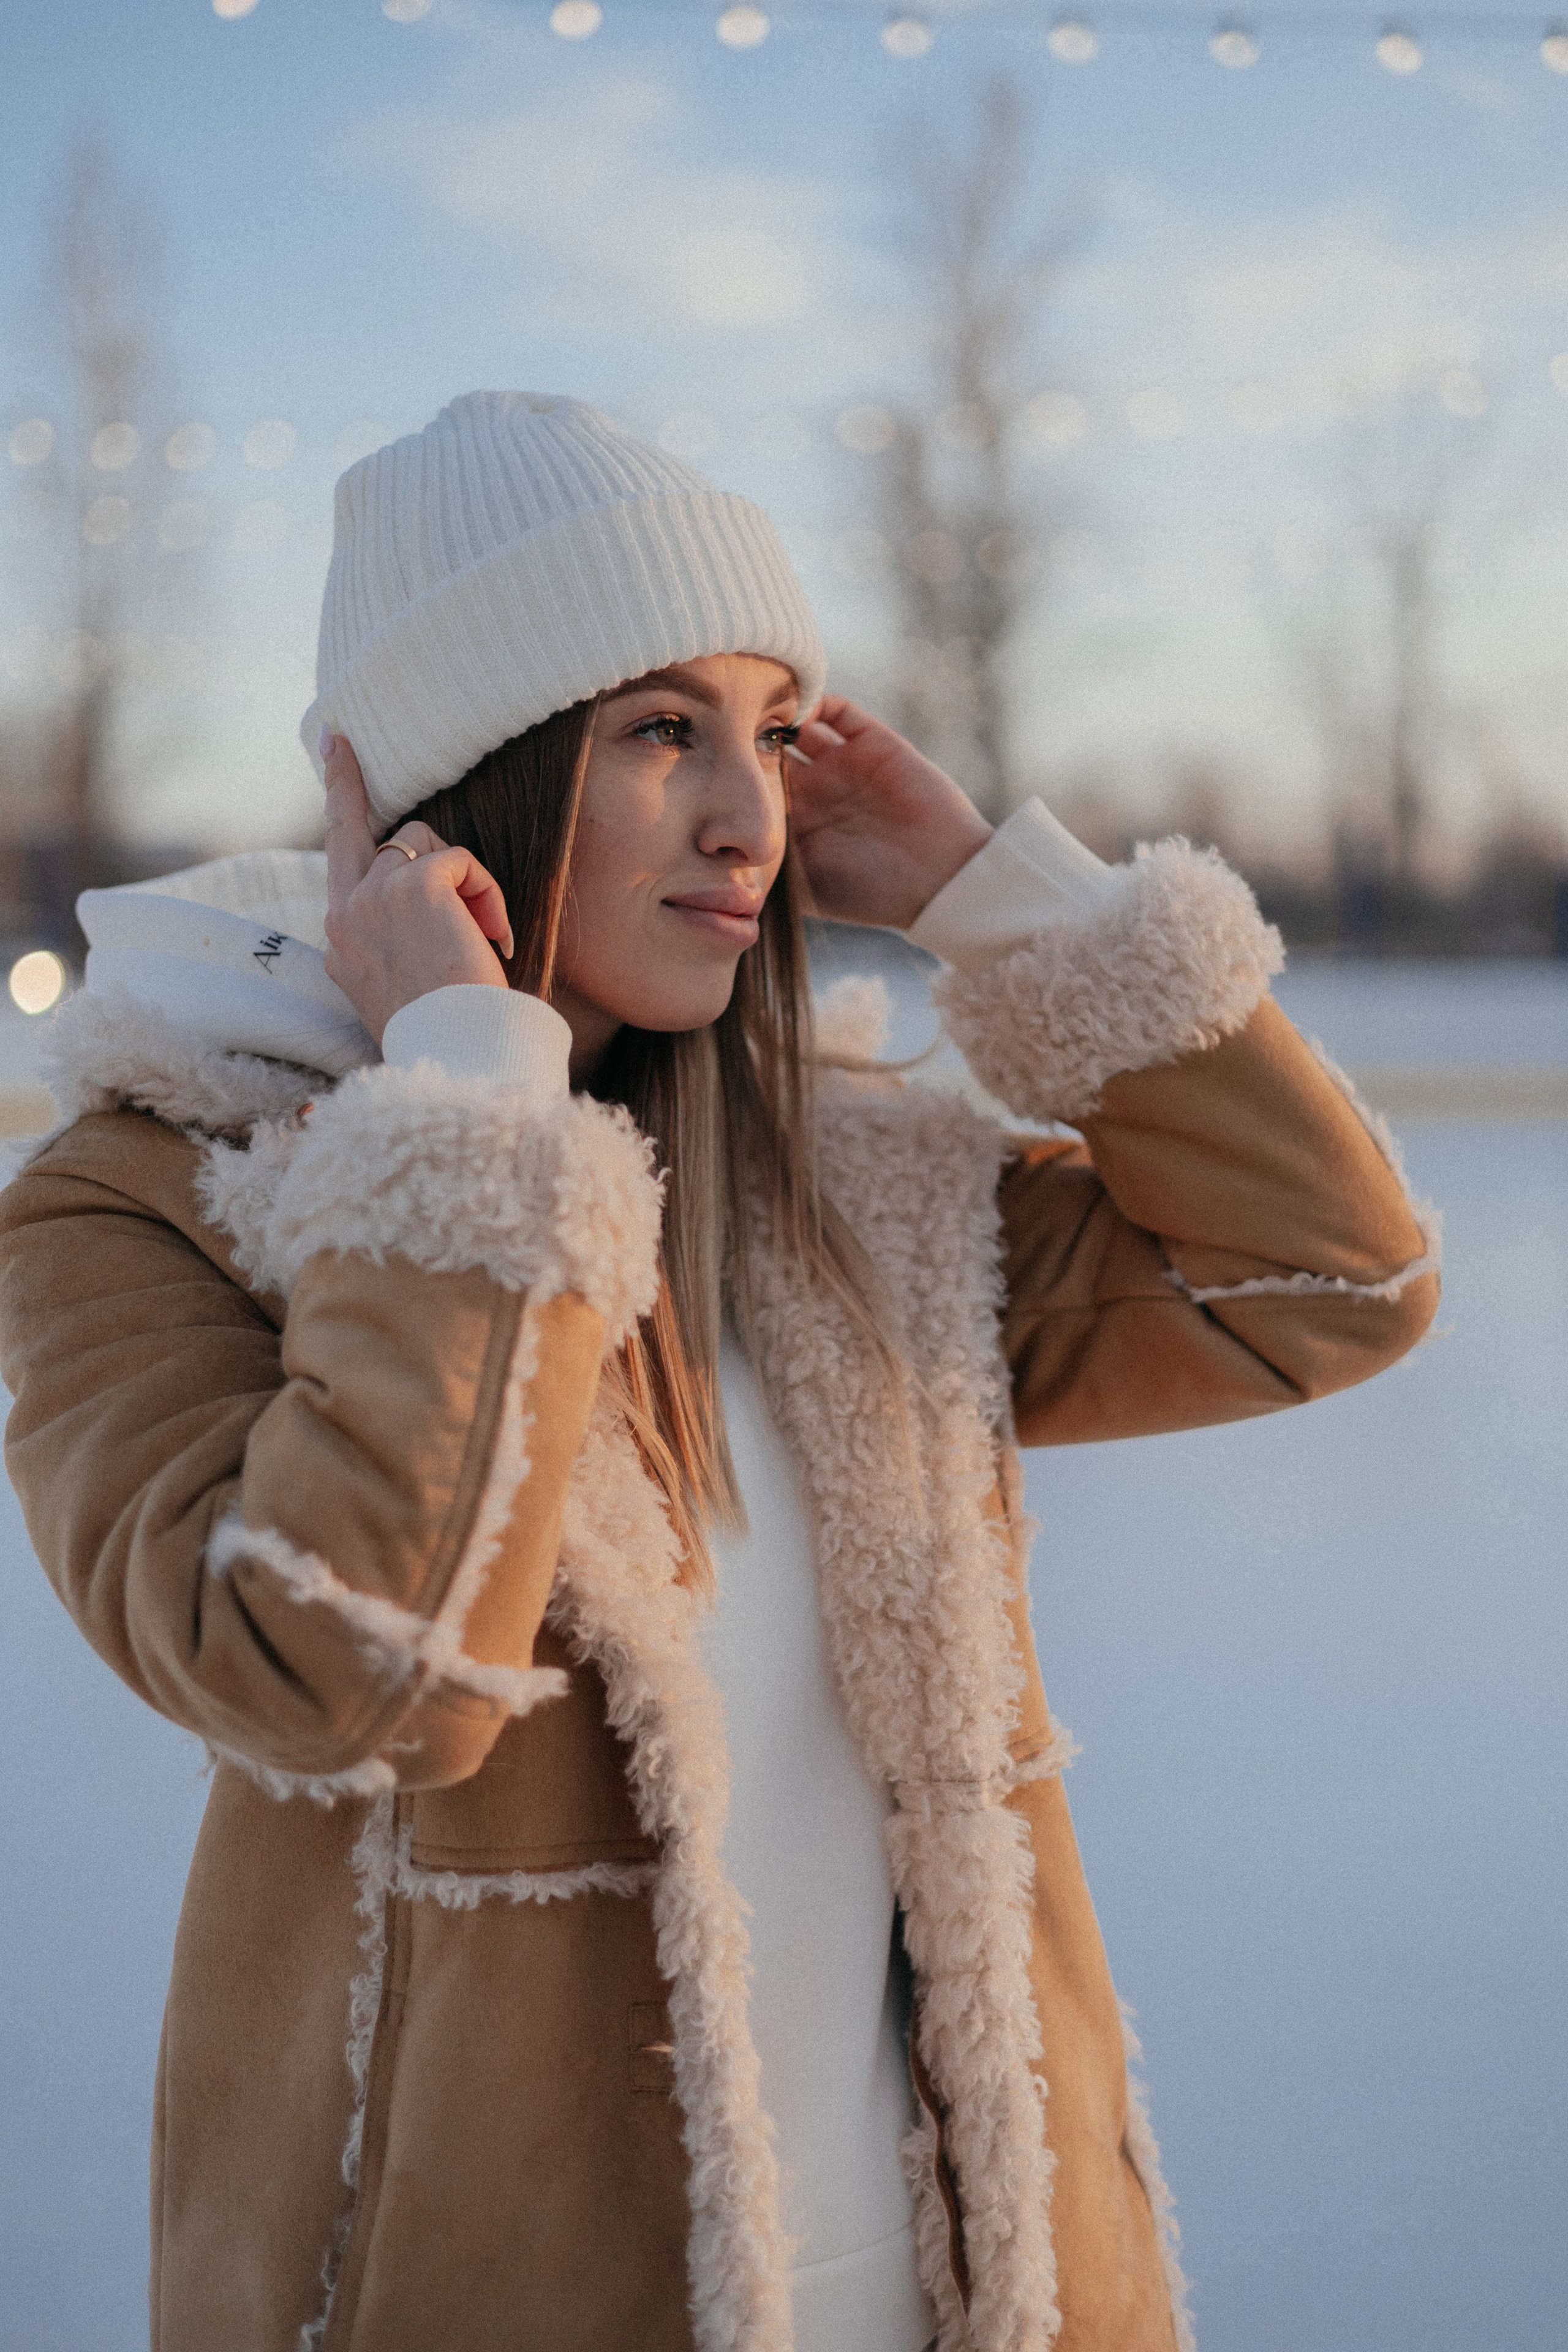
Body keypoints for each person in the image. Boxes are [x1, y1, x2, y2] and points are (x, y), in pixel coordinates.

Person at [0, 392, 1439, 2352]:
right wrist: (472, 1110)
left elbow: (1334, 1281)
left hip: (973, 2291)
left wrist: (990, 899)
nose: (752, 814)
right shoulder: (159, 1202)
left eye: (773, 733)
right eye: (659, 731)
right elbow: (351, 1678)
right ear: (454, 798)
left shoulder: (852, 1190)